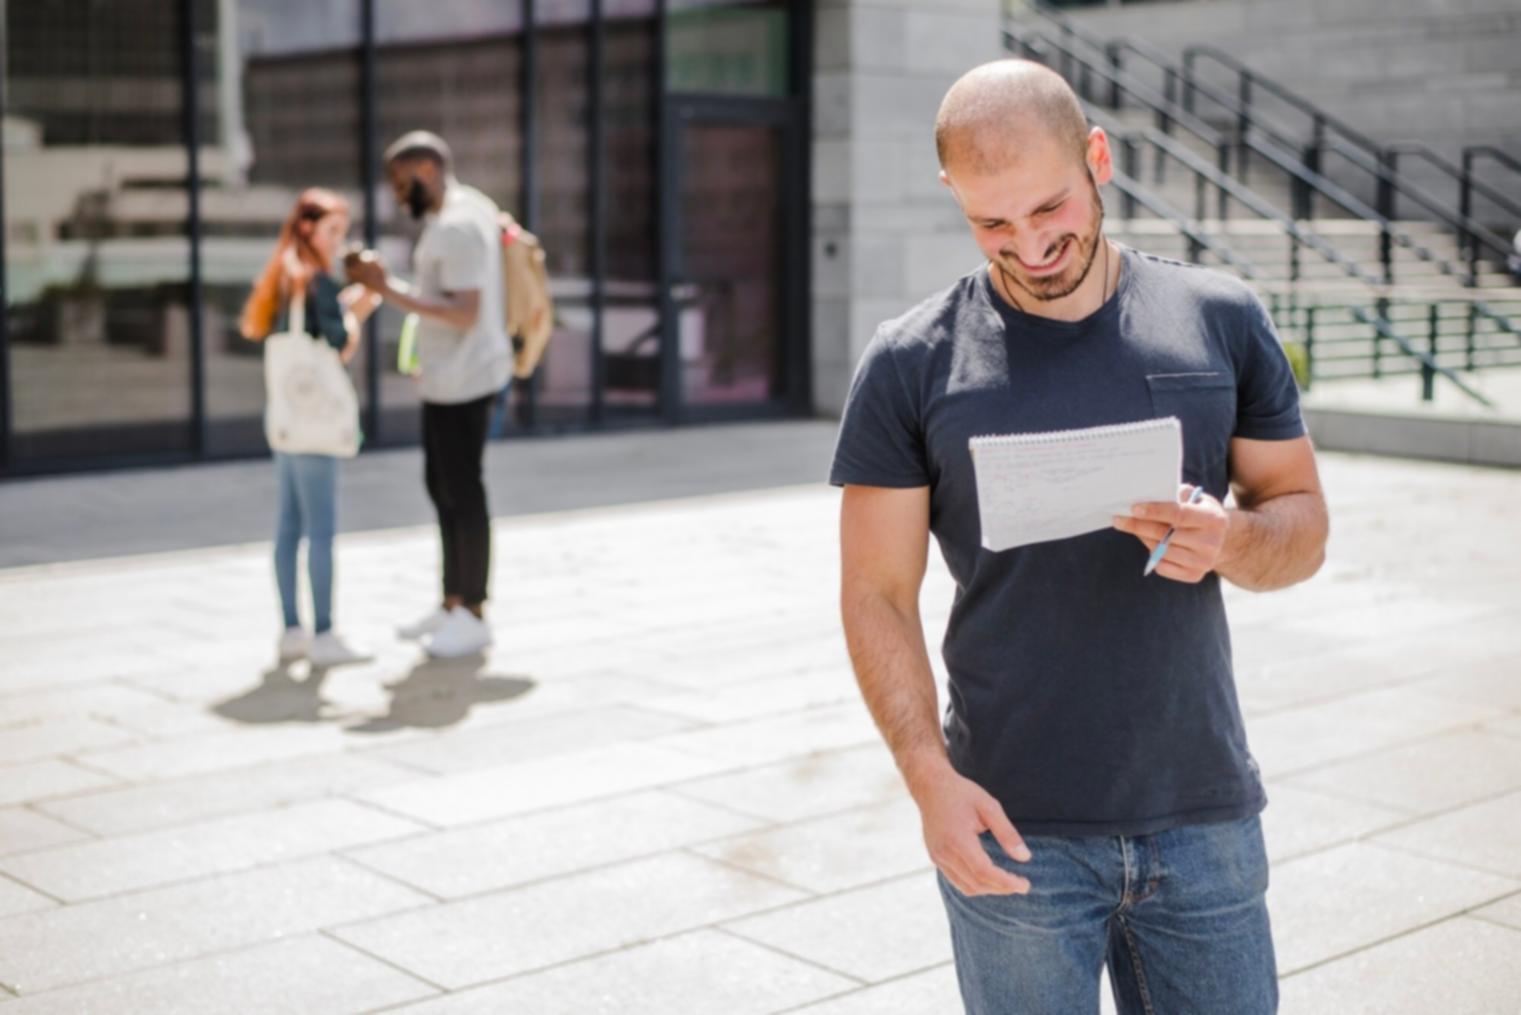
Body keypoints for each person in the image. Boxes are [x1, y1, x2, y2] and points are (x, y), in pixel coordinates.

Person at [832, 60, 1329, 1015]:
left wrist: (1228, 539)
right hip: (1010, 826)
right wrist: (927, 779)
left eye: (1049, 207)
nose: (1027, 243)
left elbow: (1301, 521)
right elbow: (875, 594)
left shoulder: (1217, 319)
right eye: (990, 223)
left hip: (1202, 813)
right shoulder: (908, 362)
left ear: (1096, 157)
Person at [345, 132, 509, 659]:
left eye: (400, 184)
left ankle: (474, 611)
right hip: (448, 377)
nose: (397, 196)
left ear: (427, 172)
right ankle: (452, 601)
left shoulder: (459, 225)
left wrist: (384, 288)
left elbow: (464, 313)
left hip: (465, 380)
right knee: (442, 487)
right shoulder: (467, 209)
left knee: (462, 491)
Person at [240, 188, 380, 667]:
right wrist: (357, 312)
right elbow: (338, 345)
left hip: (285, 420)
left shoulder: (281, 277)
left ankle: (292, 631)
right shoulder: (316, 282)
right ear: (308, 229)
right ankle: (324, 634)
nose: (339, 242)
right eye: (333, 231)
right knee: (321, 529)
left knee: (288, 526)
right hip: (315, 424)